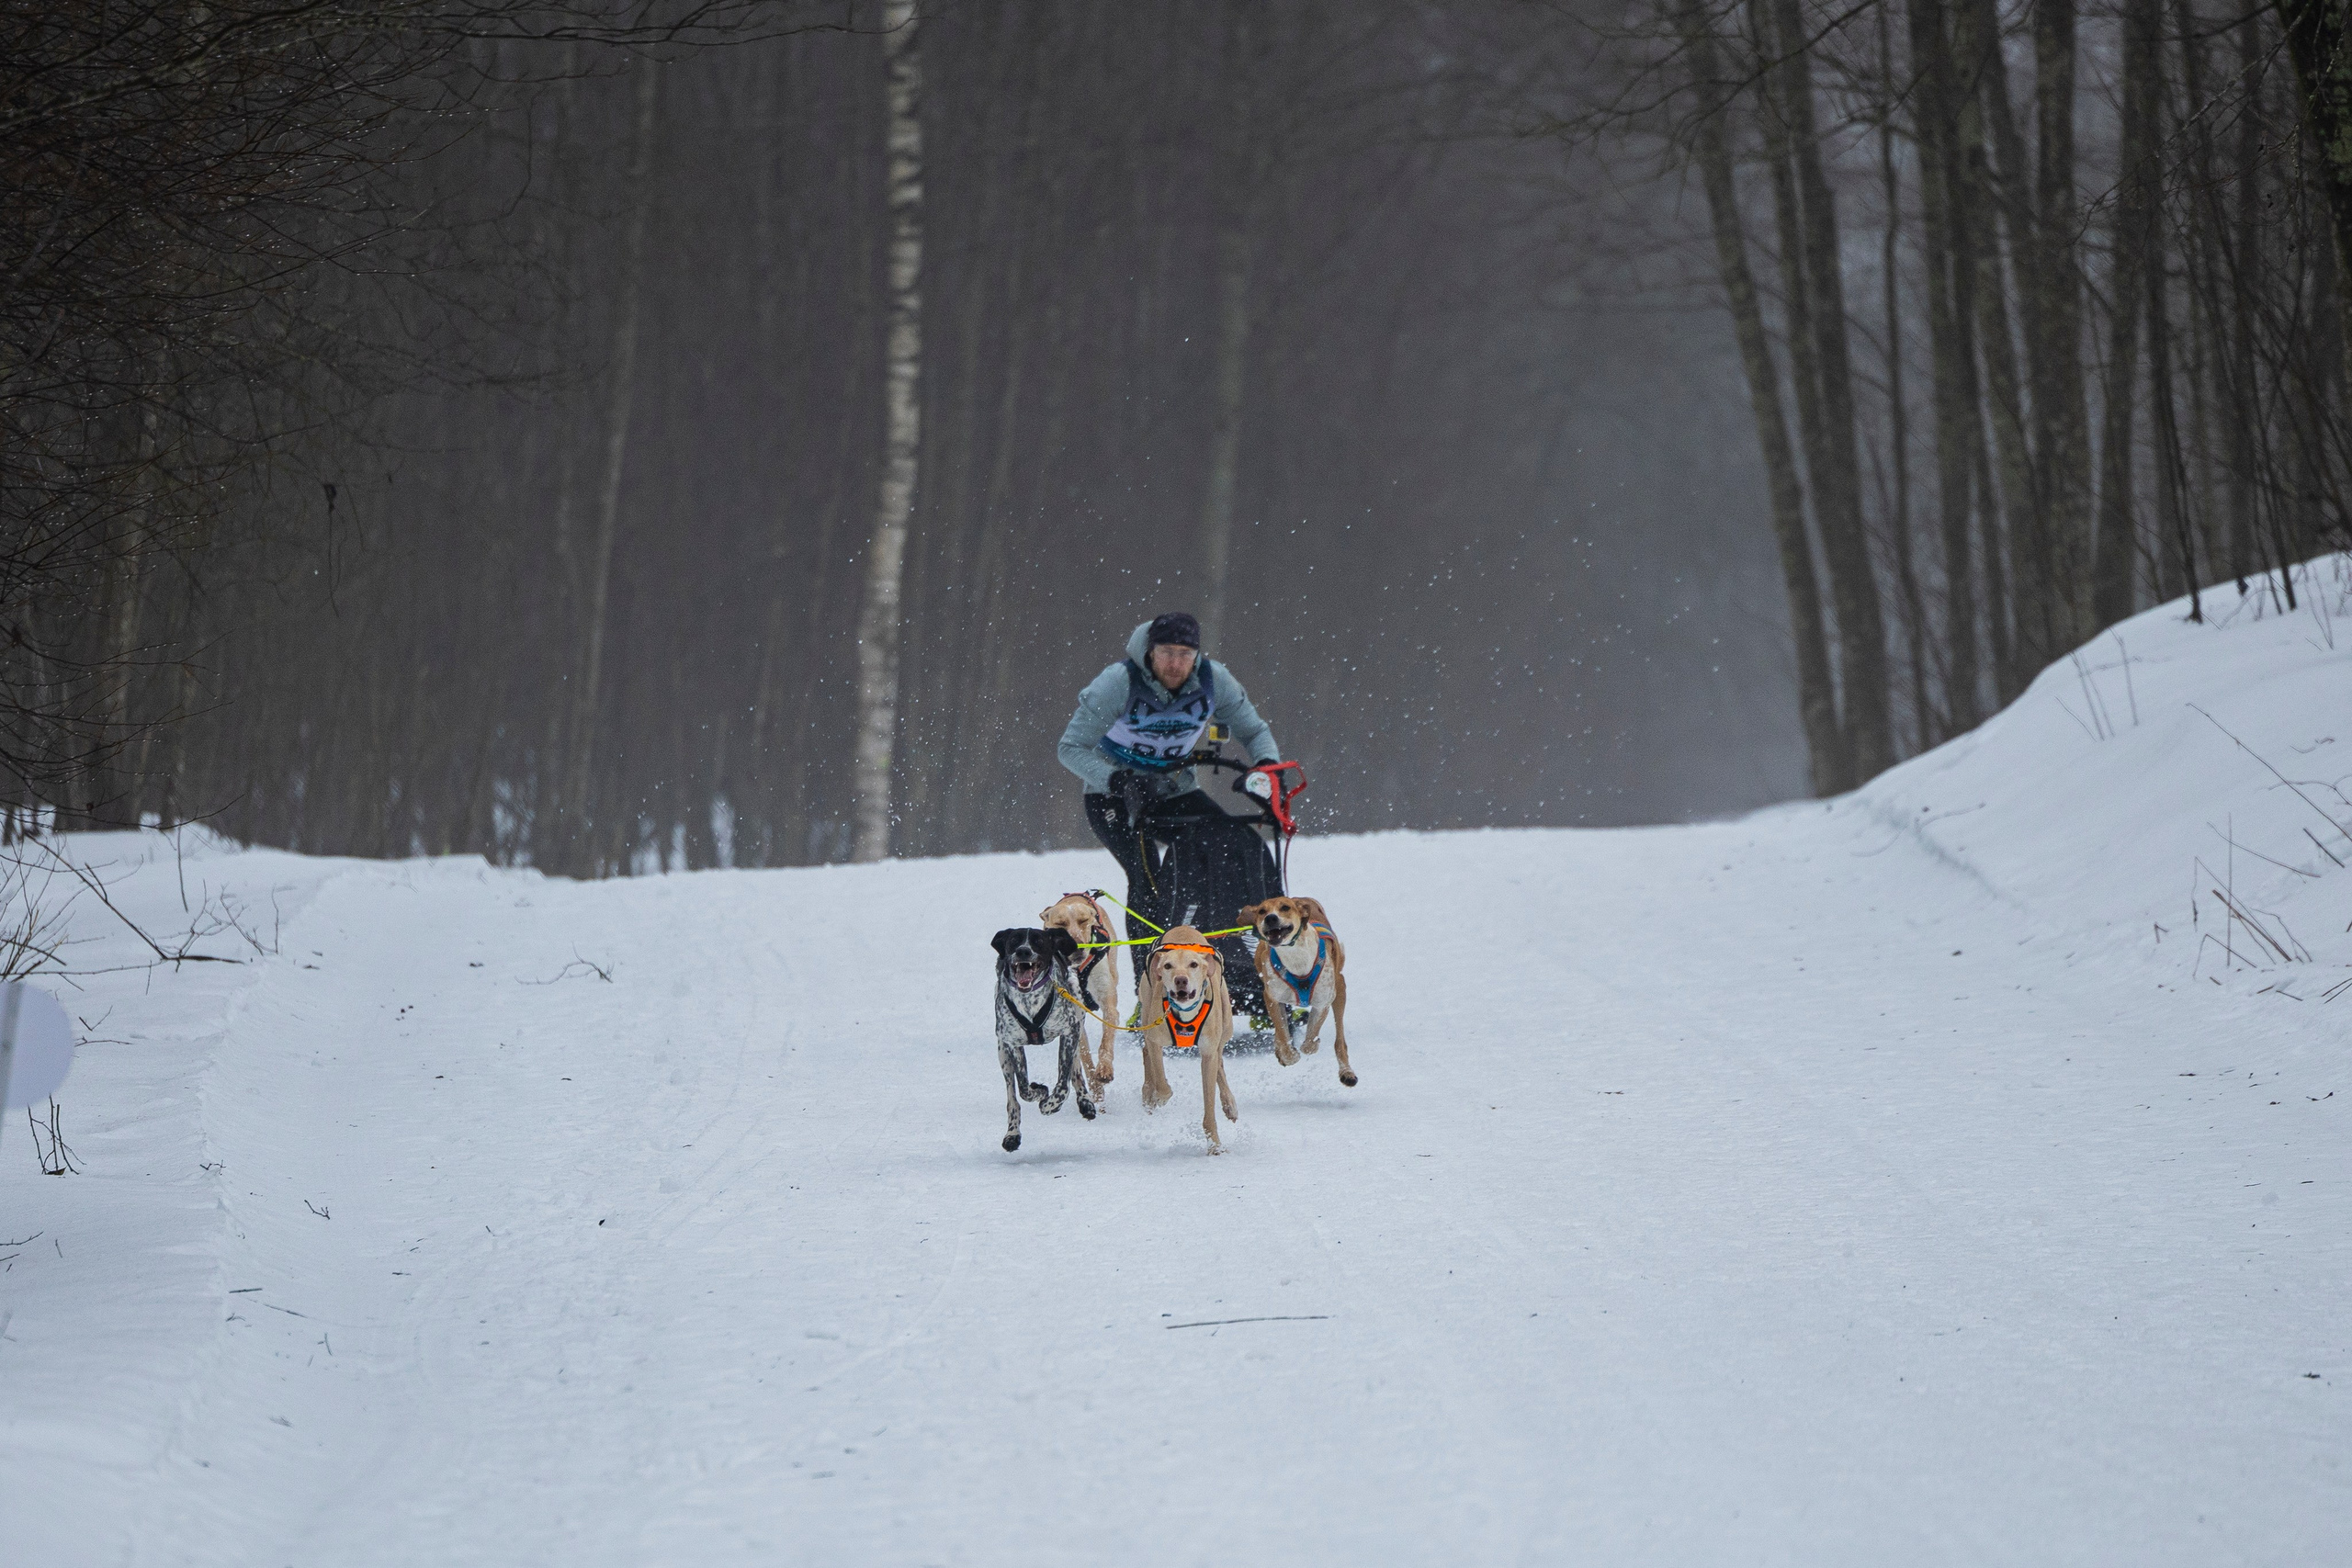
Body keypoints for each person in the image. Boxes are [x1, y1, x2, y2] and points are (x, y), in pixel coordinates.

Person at [1057, 612, 1283, 997]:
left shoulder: (1214, 680)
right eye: (1166, 653)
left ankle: (1250, 981)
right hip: (1114, 797)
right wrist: (1118, 779)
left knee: (1239, 847)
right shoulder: (1118, 682)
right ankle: (1149, 992)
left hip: (1175, 792)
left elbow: (1253, 729)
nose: (1176, 663)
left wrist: (1266, 768)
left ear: (1197, 655)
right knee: (1149, 880)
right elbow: (1070, 748)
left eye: (1185, 653)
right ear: (1150, 652)